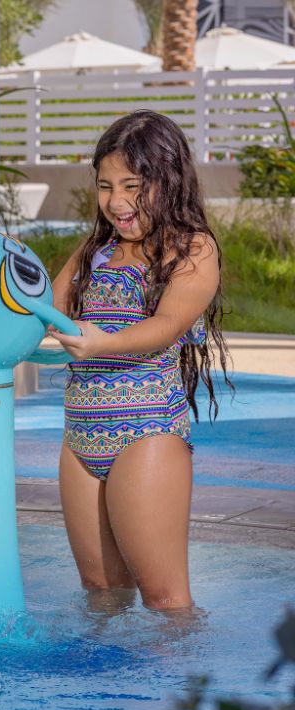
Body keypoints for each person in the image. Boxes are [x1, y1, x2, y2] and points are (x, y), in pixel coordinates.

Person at [47, 110, 232, 612]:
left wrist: (99, 343)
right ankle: (103, 691)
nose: (117, 201)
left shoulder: (192, 249)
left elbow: (167, 326)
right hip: (81, 438)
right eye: (106, 186)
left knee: (166, 600)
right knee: (101, 593)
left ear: (168, 182)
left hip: (145, 436)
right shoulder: (96, 250)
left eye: (133, 185)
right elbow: (45, 309)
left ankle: (185, 690)